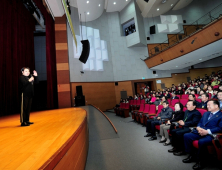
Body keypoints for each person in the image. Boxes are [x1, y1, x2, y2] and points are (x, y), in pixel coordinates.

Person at [183, 100, 222, 169]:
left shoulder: (220, 115)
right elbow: (200, 123)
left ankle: (200, 161)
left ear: (216, 106)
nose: (207, 106)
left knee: (202, 141)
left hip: (211, 134)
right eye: (207, 105)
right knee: (187, 136)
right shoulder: (206, 113)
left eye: (209, 105)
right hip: (200, 131)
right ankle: (191, 155)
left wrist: (207, 131)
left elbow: (220, 128)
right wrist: (198, 128)